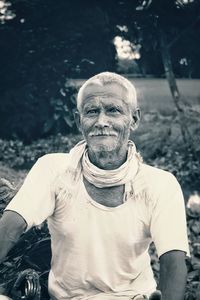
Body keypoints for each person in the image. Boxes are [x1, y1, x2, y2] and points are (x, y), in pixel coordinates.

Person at [0, 72, 189, 300]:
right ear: (79, 121)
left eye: (113, 110)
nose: (101, 122)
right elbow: (10, 228)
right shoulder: (52, 169)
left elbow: (173, 262)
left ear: (134, 119)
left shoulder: (160, 184)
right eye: (92, 111)